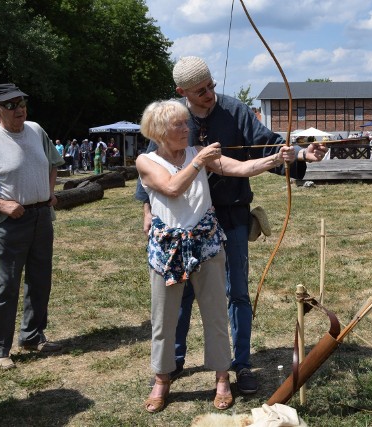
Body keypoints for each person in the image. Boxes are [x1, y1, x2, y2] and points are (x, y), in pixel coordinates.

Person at [135, 56, 328, 395]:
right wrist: (148, 210)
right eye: (200, 90)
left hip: (232, 214)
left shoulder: (234, 110)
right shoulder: (172, 119)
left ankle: (239, 364)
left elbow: (264, 148)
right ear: (183, 92)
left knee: (236, 293)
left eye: (211, 86)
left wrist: (298, 155)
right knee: (180, 295)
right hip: (181, 223)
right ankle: (174, 362)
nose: (210, 94)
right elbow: (155, 169)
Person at [137, 99, 295, 413]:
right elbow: (170, 188)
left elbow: (240, 168)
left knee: (216, 315)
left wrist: (278, 158)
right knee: (164, 319)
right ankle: (162, 379)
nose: (187, 128)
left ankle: (223, 378)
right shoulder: (146, 160)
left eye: (186, 123)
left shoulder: (198, 152)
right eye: (178, 125)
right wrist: (199, 162)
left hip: (207, 243)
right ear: (159, 132)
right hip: (167, 250)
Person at [0, 83, 65, 370]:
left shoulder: (36, 130)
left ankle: (32, 336)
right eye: (11, 105)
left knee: (40, 280)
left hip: (41, 217)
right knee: (7, 285)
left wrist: (50, 192)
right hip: (8, 221)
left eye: (22, 102)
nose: (19, 109)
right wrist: (0, 205)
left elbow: (53, 162)